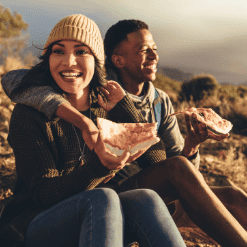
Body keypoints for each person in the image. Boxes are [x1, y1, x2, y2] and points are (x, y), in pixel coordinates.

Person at [2, 18, 247, 246]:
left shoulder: (107, 103)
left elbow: (162, 163)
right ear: (47, 58)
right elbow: (44, 195)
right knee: (102, 198)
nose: (69, 61)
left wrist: (124, 108)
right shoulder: (30, 114)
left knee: (146, 199)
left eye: (81, 51)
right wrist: (101, 164)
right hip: (34, 225)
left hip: (99, 208)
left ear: (96, 59)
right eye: (58, 51)